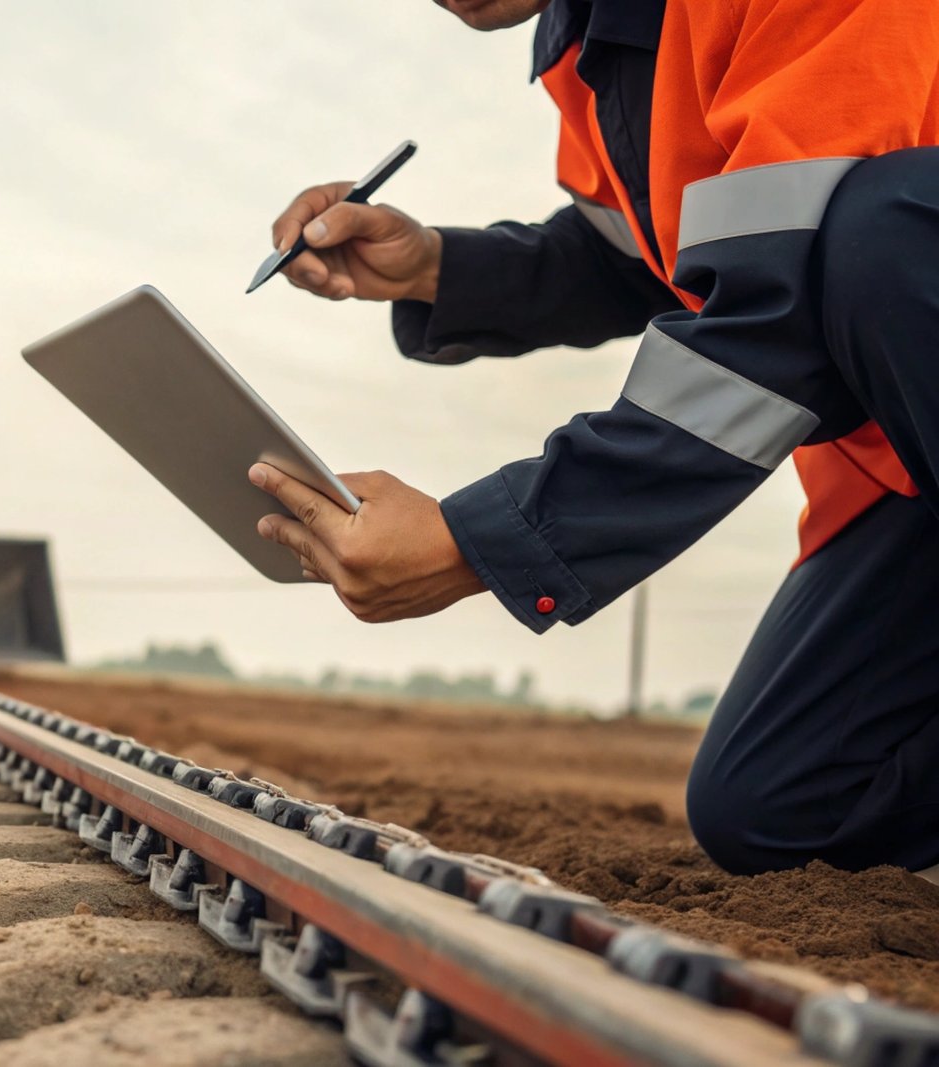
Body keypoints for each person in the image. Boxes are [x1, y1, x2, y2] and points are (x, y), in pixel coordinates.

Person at [250, 0, 939, 880]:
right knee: (773, 807)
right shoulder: (596, 43)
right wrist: (436, 268)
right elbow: (639, 254)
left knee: (874, 227)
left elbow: (785, 304)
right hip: (903, 475)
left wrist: (487, 542)